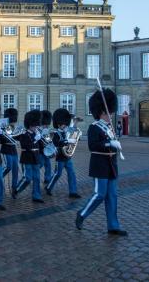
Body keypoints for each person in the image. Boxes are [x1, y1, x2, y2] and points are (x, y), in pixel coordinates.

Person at [75, 88, 127, 236]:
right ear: (102, 111)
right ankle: (82, 214)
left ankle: (113, 225)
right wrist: (109, 144)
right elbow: (93, 146)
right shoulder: (94, 127)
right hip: (100, 164)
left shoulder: (109, 127)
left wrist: (115, 145)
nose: (110, 114)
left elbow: (112, 143)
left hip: (111, 164)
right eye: (108, 111)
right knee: (99, 194)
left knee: (112, 195)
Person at [45, 108, 80, 198]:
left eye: (65, 124)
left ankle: (73, 192)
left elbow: (74, 135)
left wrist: (73, 138)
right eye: (62, 124)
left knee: (71, 173)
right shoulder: (55, 133)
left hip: (68, 157)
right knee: (58, 174)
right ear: (58, 124)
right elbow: (57, 143)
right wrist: (67, 140)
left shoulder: (67, 131)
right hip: (60, 157)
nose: (64, 126)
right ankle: (48, 187)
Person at [13, 110, 44, 203]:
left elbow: (41, 146)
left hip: (36, 157)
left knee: (37, 178)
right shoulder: (24, 134)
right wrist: (35, 139)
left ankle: (36, 196)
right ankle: (17, 189)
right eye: (35, 125)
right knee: (28, 178)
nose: (36, 127)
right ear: (30, 125)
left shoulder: (36, 133)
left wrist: (43, 139)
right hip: (27, 158)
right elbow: (26, 146)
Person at [1, 108, 19, 193]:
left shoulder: (16, 127)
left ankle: (14, 187)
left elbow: (17, 137)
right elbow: (2, 139)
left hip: (14, 149)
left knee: (16, 169)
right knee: (8, 167)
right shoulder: (4, 126)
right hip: (6, 149)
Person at [38, 110, 53, 185]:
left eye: (47, 124)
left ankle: (47, 179)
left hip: (46, 151)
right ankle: (34, 175)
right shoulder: (38, 130)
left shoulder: (47, 129)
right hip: (40, 151)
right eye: (45, 124)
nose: (47, 126)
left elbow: (49, 140)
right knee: (40, 164)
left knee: (48, 165)